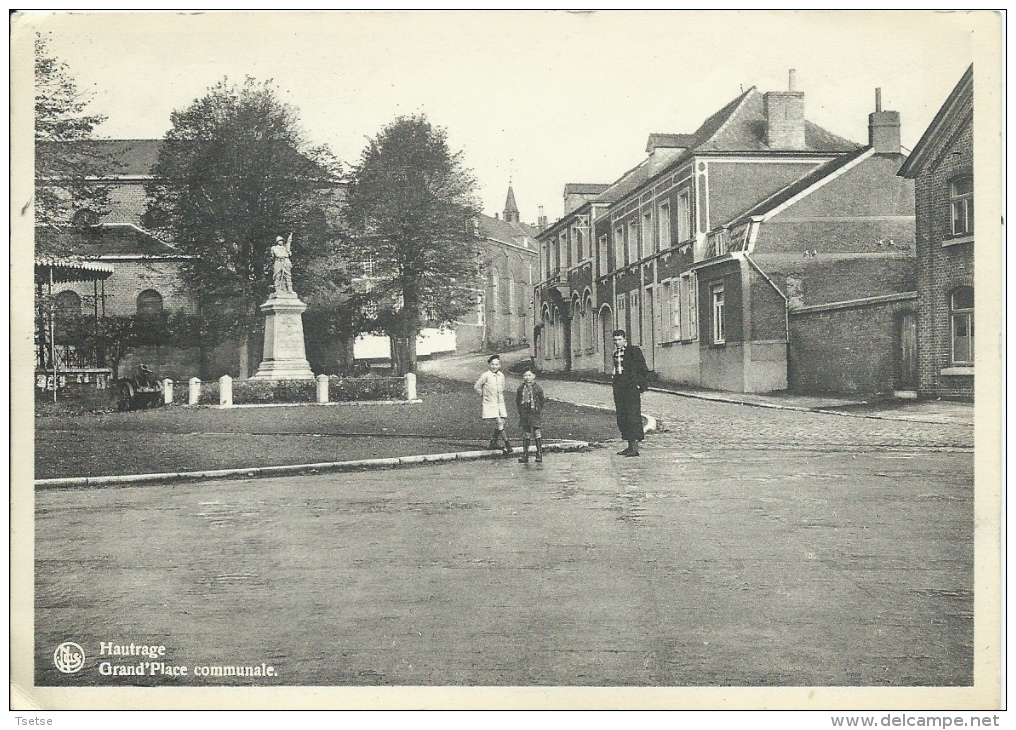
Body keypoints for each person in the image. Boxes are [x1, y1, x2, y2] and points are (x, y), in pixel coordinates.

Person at [611, 329, 649, 457]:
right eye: (615, 340)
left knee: (633, 415)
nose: (617, 342)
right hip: (619, 387)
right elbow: (616, 370)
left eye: (619, 339)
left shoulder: (633, 351)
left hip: (631, 386)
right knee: (622, 415)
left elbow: (642, 368)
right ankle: (628, 445)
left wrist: (641, 385)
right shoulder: (615, 354)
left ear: (625, 339)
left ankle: (635, 447)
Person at [474, 354, 513, 456]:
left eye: (496, 364)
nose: (494, 366)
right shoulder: (486, 375)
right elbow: (477, 386)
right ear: (489, 365)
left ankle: (493, 443)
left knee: (502, 421)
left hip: (500, 402)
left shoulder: (501, 375)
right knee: (499, 422)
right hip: (490, 402)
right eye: (492, 364)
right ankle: (507, 444)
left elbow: (502, 387)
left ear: (499, 365)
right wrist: (483, 394)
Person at [515, 368, 547, 463]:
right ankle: (525, 454)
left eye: (529, 375)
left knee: (536, 431)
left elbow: (542, 400)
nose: (527, 378)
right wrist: (521, 411)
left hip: (534, 413)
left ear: (534, 376)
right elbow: (518, 400)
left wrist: (537, 408)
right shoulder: (521, 388)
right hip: (525, 413)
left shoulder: (537, 388)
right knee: (526, 432)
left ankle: (539, 454)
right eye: (525, 375)